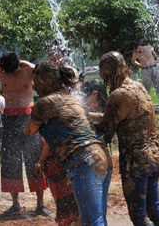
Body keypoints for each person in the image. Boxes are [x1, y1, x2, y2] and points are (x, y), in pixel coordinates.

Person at [25, 61, 112, 225]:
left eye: (36, 81)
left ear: (45, 81)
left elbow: (29, 130)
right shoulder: (71, 98)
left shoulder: (44, 104)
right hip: (101, 158)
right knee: (91, 219)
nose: (34, 86)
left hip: (84, 162)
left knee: (93, 221)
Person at [97, 52, 159, 225]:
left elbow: (105, 131)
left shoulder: (118, 95)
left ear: (109, 73)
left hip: (136, 163)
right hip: (154, 157)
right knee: (155, 211)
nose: (106, 83)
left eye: (105, 77)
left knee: (139, 217)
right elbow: (118, 117)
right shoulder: (139, 87)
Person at [0, 52, 50, 215]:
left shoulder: (29, 69)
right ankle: (15, 203)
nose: (8, 75)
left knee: (33, 158)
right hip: (9, 118)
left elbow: (49, 77)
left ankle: (40, 204)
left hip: (28, 117)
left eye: (11, 72)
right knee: (10, 161)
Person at [130, 41, 159, 114]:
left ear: (138, 47)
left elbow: (156, 56)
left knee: (158, 87)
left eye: (135, 50)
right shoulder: (135, 54)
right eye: (134, 51)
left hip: (154, 68)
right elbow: (133, 61)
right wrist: (141, 66)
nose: (135, 51)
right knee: (146, 89)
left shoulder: (148, 48)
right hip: (145, 70)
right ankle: (147, 107)